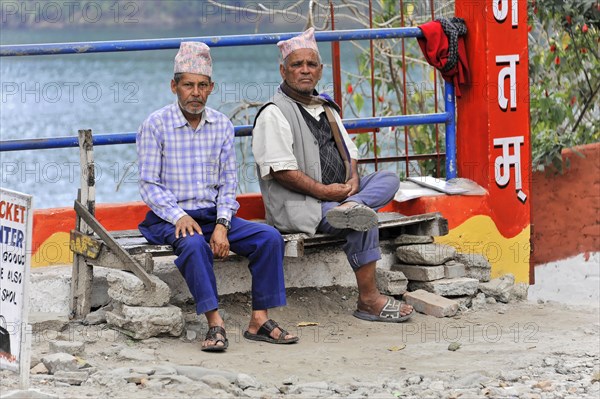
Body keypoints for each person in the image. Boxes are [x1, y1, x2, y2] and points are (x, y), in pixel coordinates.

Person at [136, 42, 298, 352]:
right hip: (168, 218)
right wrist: (179, 216)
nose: (195, 92)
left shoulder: (221, 125)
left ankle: (259, 321)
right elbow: (149, 185)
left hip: (213, 216)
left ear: (211, 88)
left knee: (269, 238)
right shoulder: (155, 125)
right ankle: (215, 323)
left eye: (202, 85)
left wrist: (223, 223)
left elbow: (227, 183)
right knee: (194, 243)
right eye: (188, 85)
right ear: (174, 86)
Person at [252, 28, 414, 323]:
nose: (304, 70)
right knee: (362, 218)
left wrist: (351, 183)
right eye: (297, 65)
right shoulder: (274, 113)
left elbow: (350, 153)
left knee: (389, 178)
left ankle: (351, 208)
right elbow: (283, 173)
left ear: (320, 70)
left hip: (340, 197)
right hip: (303, 205)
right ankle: (369, 300)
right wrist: (329, 194)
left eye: (311, 65)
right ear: (283, 70)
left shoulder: (325, 107)